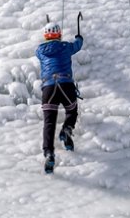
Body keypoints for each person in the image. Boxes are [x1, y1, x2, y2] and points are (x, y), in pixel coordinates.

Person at [36, 21, 83, 173]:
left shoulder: (40, 50)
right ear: (59, 34)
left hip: (48, 88)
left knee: (49, 122)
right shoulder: (66, 47)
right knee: (72, 110)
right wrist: (79, 37)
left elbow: (43, 52)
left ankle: (49, 153)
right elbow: (77, 45)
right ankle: (67, 129)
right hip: (65, 85)